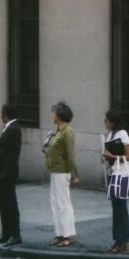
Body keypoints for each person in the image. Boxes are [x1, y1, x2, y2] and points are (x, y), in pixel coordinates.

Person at [45, 101, 79, 247]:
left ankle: (69, 234)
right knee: (56, 203)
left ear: (59, 115)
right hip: (54, 170)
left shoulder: (67, 131)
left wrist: (75, 174)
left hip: (62, 171)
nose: (53, 115)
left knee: (64, 203)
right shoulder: (58, 131)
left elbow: (71, 154)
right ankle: (59, 233)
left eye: (54, 113)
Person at [102, 109, 129, 254]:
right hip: (112, 172)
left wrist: (112, 156)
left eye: (107, 120)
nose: (105, 122)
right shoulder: (110, 135)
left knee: (121, 207)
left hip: (121, 173)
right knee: (116, 207)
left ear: (112, 121)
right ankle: (117, 239)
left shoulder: (122, 134)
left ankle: (123, 240)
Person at [0, 103, 22, 247]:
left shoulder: (13, 129)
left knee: (9, 205)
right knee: (3, 204)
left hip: (7, 172)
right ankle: (6, 233)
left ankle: (15, 235)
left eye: (2, 113)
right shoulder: (10, 128)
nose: (0, 116)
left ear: (6, 114)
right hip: (3, 172)